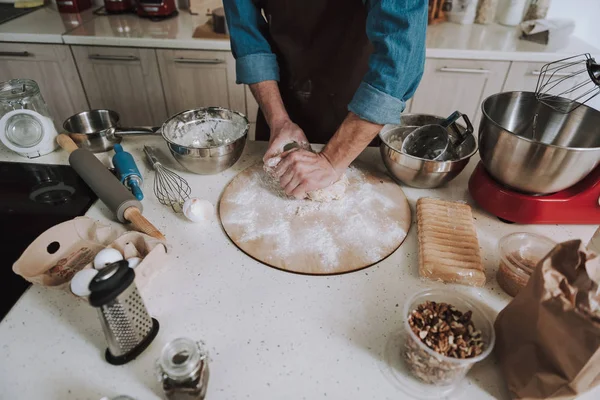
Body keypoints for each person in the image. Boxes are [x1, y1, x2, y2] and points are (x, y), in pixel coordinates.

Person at [223, 0, 427, 199]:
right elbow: (246, 34)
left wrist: (332, 160)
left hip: (359, 109)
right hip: (280, 95)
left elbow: (401, 59)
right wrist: (278, 121)